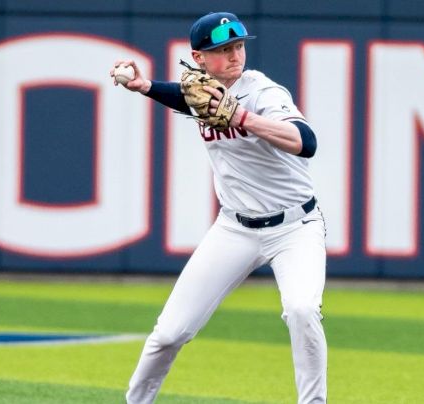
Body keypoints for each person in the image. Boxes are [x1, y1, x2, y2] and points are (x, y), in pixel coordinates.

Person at [111, 11, 327, 404]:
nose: (234, 56)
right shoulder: (204, 89)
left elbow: (306, 141)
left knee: (301, 309)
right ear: (198, 57)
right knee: (169, 333)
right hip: (234, 229)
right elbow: (187, 96)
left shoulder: (264, 92)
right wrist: (145, 86)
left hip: (295, 227)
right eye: (222, 50)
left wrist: (244, 118)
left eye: (238, 46)